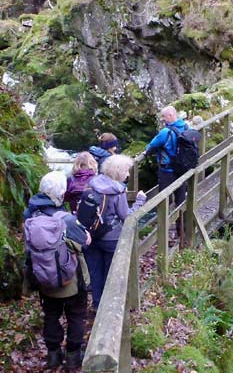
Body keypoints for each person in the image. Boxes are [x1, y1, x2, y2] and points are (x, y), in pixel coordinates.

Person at [23, 171, 91, 370]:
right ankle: (72, 357)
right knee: (76, 316)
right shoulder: (66, 219)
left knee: (51, 316)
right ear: (62, 194)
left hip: (43, 278)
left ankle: (53, 356)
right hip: (70, 280)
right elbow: (85, 243)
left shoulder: (30, 215)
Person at [84, 155, 146, 312]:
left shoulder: (93, 183)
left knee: (95, 272)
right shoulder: (117, 191)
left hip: (91, 235)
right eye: (126, 170)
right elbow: (126, 216)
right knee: (110, 273)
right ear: (118, 172)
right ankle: (108, 308)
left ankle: (97, 304)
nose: (128, 174)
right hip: (111, 238)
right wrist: (139, 201)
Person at [144, 105, 188, 241]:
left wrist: (146, 153)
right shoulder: (186, 127)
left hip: (167, 171)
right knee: (181, 200)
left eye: (164, 116)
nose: (163, 119)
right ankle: (182, 233)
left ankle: (164, 234)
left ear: (170, 115)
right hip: (183, 170)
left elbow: (151, 147)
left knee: (164, 202)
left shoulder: (165, 132)